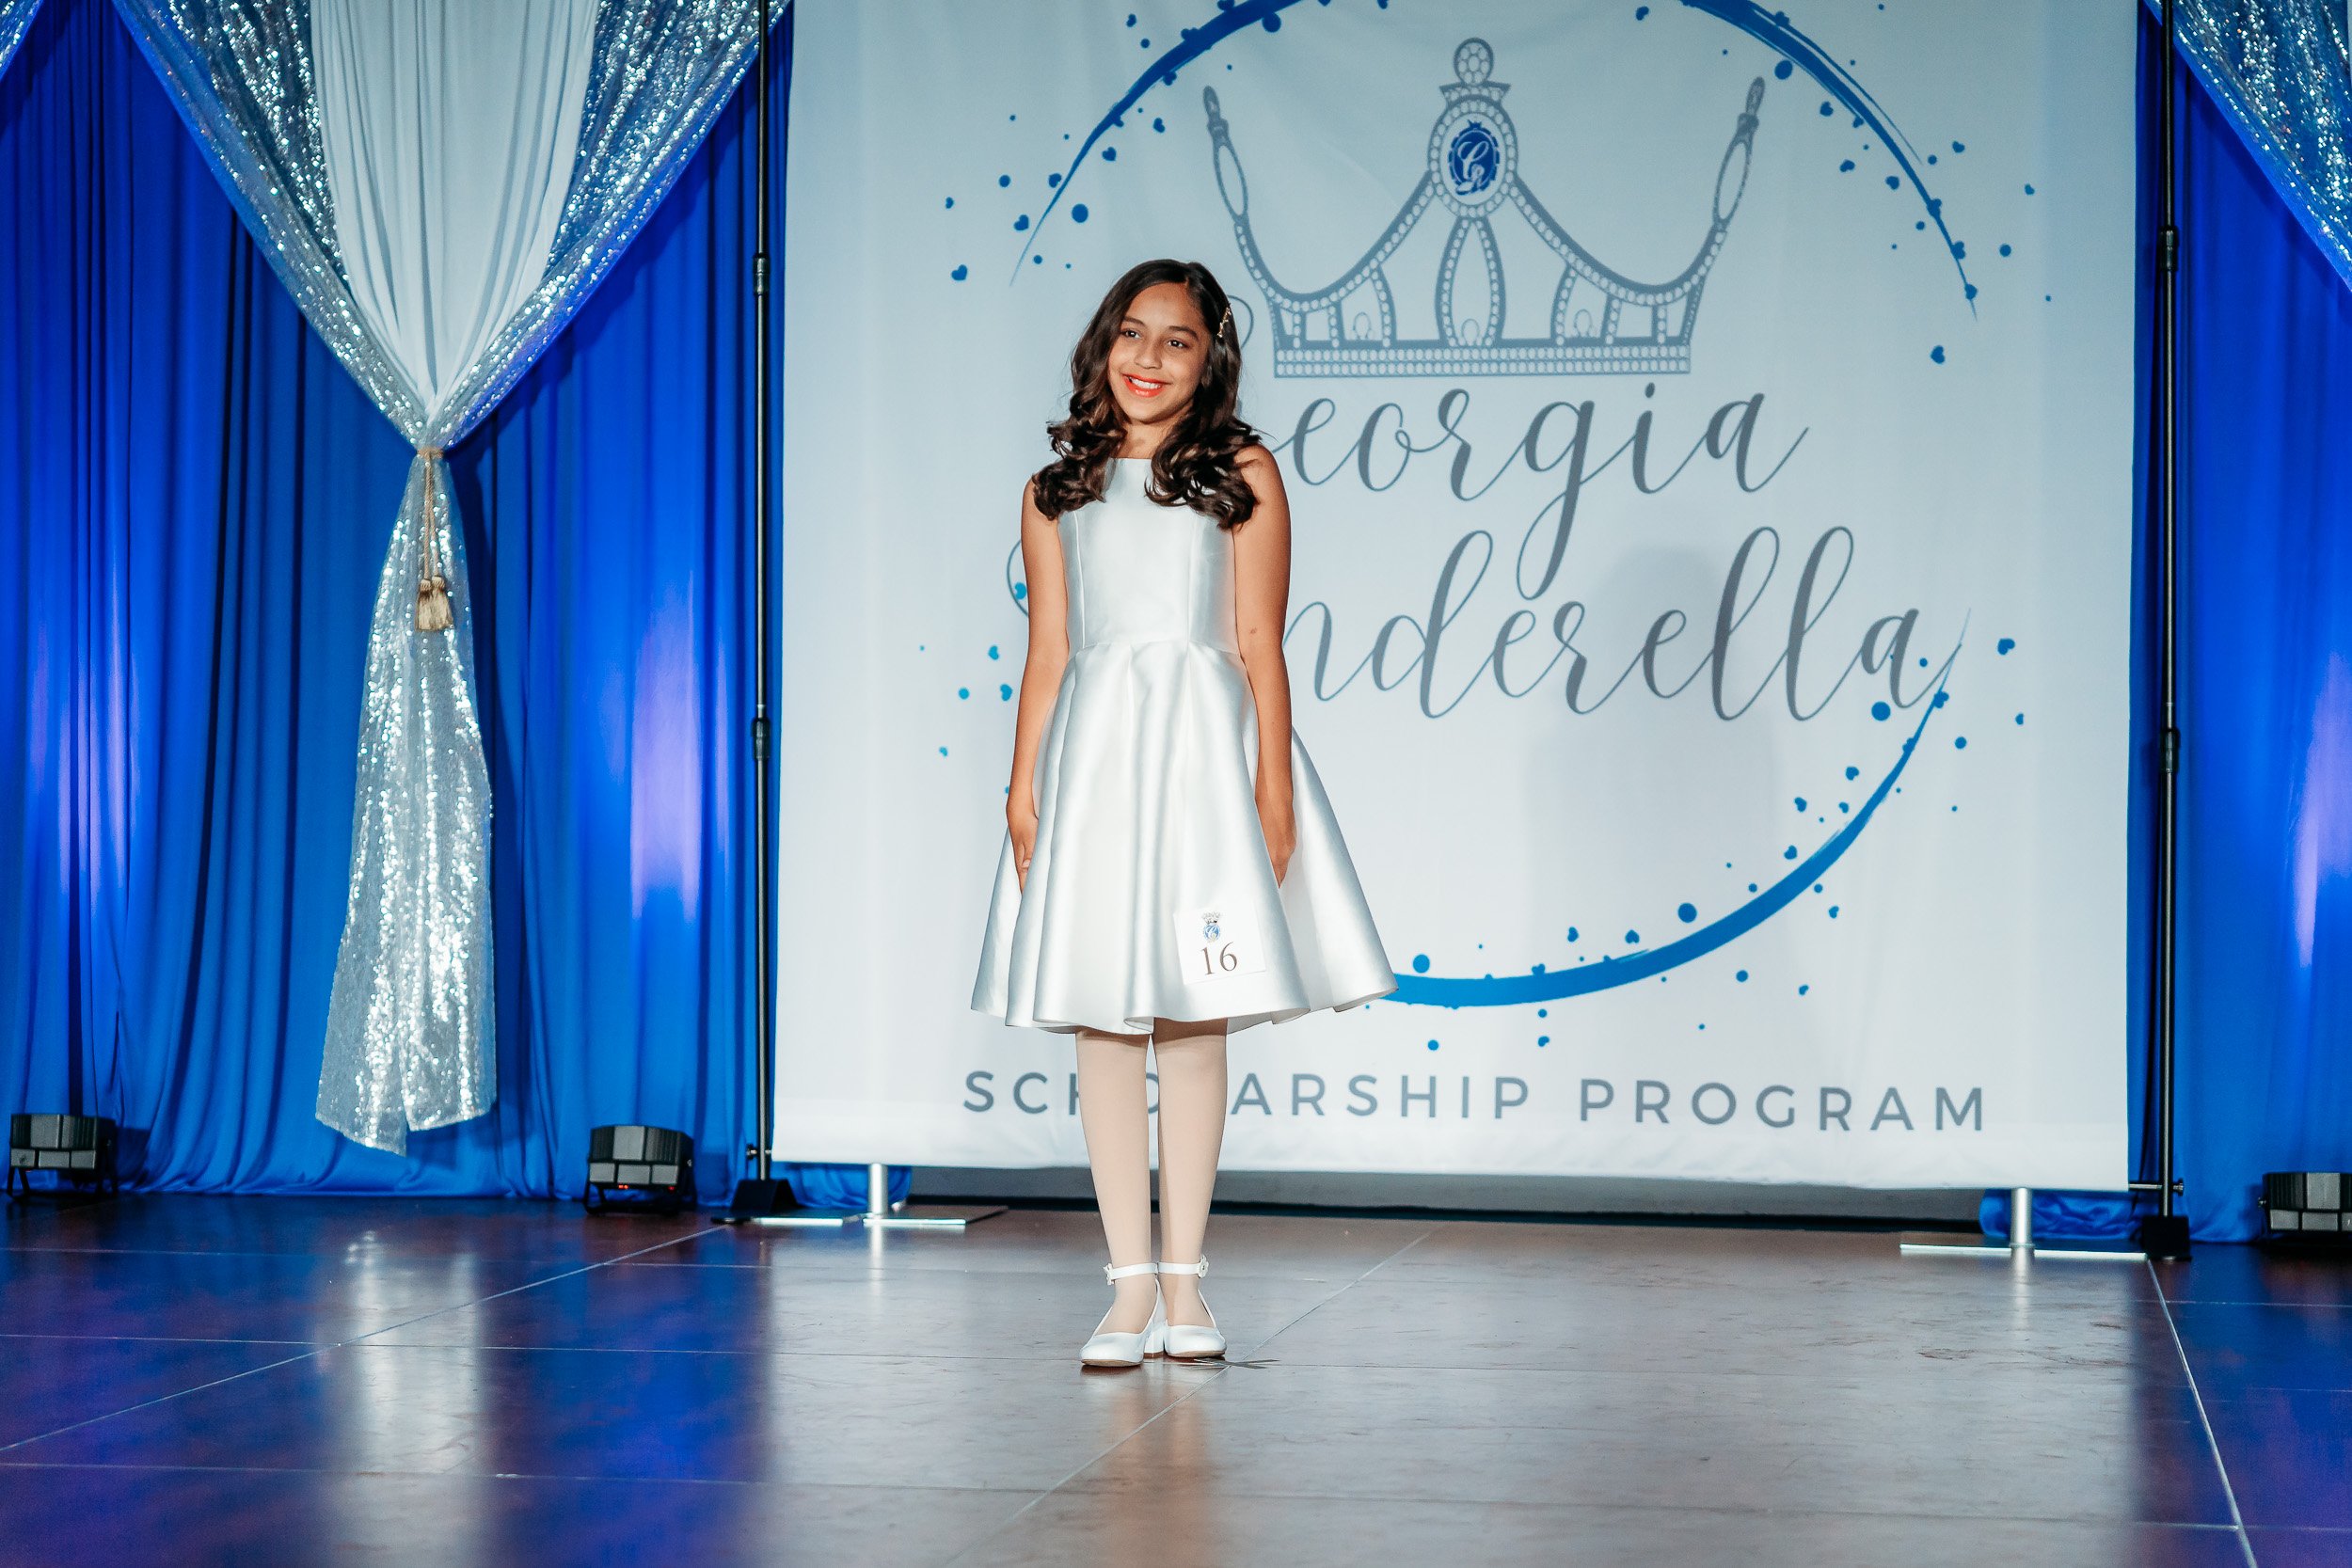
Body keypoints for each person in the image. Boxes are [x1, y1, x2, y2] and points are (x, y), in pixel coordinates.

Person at [972, 259, 1394, 1369]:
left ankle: (1185, 1283)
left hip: (1204, 759)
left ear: (1209, 360)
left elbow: (1260, 643)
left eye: (1177, 340)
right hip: (1096, 764)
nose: (1148, 358)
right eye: (1132, 333)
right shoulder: (1055, 488)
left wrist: (1271, 788)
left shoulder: (1240, 473)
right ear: (1102, 344)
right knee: (1104, 1018)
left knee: (1193, 1013)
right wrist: (1022, 787)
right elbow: (1049, 652)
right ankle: (1123, 1289)